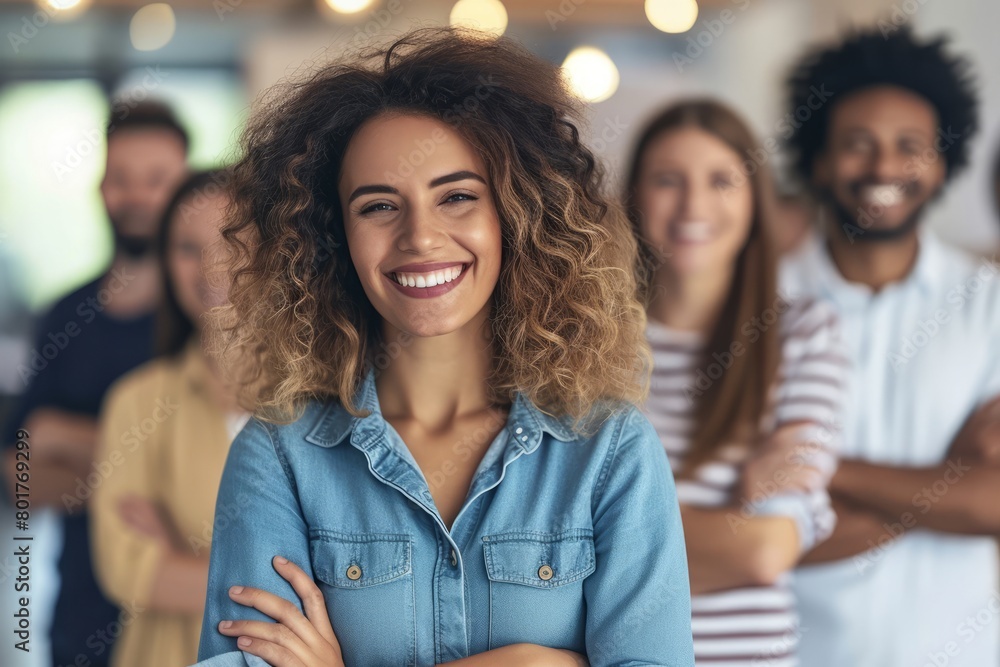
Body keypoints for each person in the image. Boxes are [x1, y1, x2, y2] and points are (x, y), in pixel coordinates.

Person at [191, 27, 694, 667]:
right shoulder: (280, 456)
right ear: (332, 236)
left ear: (516, 216)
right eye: (378, 206)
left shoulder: (609, 450)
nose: (421, 238)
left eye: (457, 197)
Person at [780, 26, 1000, 667]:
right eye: (857, 144)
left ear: (942, 163)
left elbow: (994, 504)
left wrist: (822, 471)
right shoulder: (759, 306)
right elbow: (754, 537)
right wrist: (947, 477)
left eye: (910, 146)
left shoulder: (989, 303)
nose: (883, 167)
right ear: (818, 159)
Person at [625, 99, 847, 667]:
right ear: (634, 198)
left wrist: (617, 536)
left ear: (755, 200)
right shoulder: (588, 348)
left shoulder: (803, 334)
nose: (693, 205)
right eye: (668, 180)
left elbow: (765, 551)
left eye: (722, 180)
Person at [1, 99, 188, 667]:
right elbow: (19, 473)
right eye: (120, 179)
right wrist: (142, 474)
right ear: (100, 187)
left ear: (184, 190)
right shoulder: (65, 314)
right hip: (81, 616)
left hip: (185, 617)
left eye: (157, 180)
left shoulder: (207, 318)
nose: (137, 197)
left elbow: (223, 464)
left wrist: (64, 435)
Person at [90, 170, 247, 667]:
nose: (209, 267)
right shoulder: (136, 401)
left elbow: (346, 581)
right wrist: (271, 591)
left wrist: (182, 556)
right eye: (185, 248)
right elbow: (125, 570)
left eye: (230, 240)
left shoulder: (326, 397)